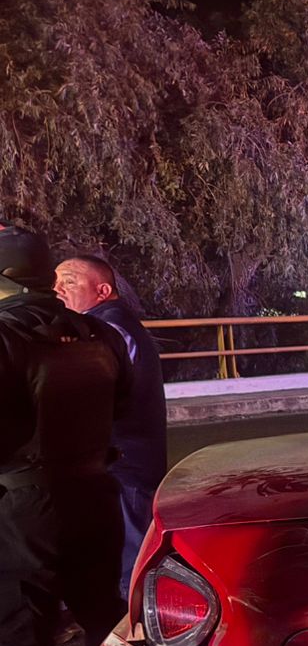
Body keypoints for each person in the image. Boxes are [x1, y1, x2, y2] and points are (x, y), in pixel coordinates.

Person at [0, 223, 130, 646]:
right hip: (94, 492)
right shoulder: (94, 332)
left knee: (23, 627)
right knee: (103, 617)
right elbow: (119, 403)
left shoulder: (4, 335)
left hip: (25, 502)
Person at [55, 255, 168, 596]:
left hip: (123, 463)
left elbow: (85, 394)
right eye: (55, 281)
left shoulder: (106, 331)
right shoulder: (112, 324)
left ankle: (141, 631)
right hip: (126, 460)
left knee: (132, 561)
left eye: (69, 281)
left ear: (102, 290)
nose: (57, 289)